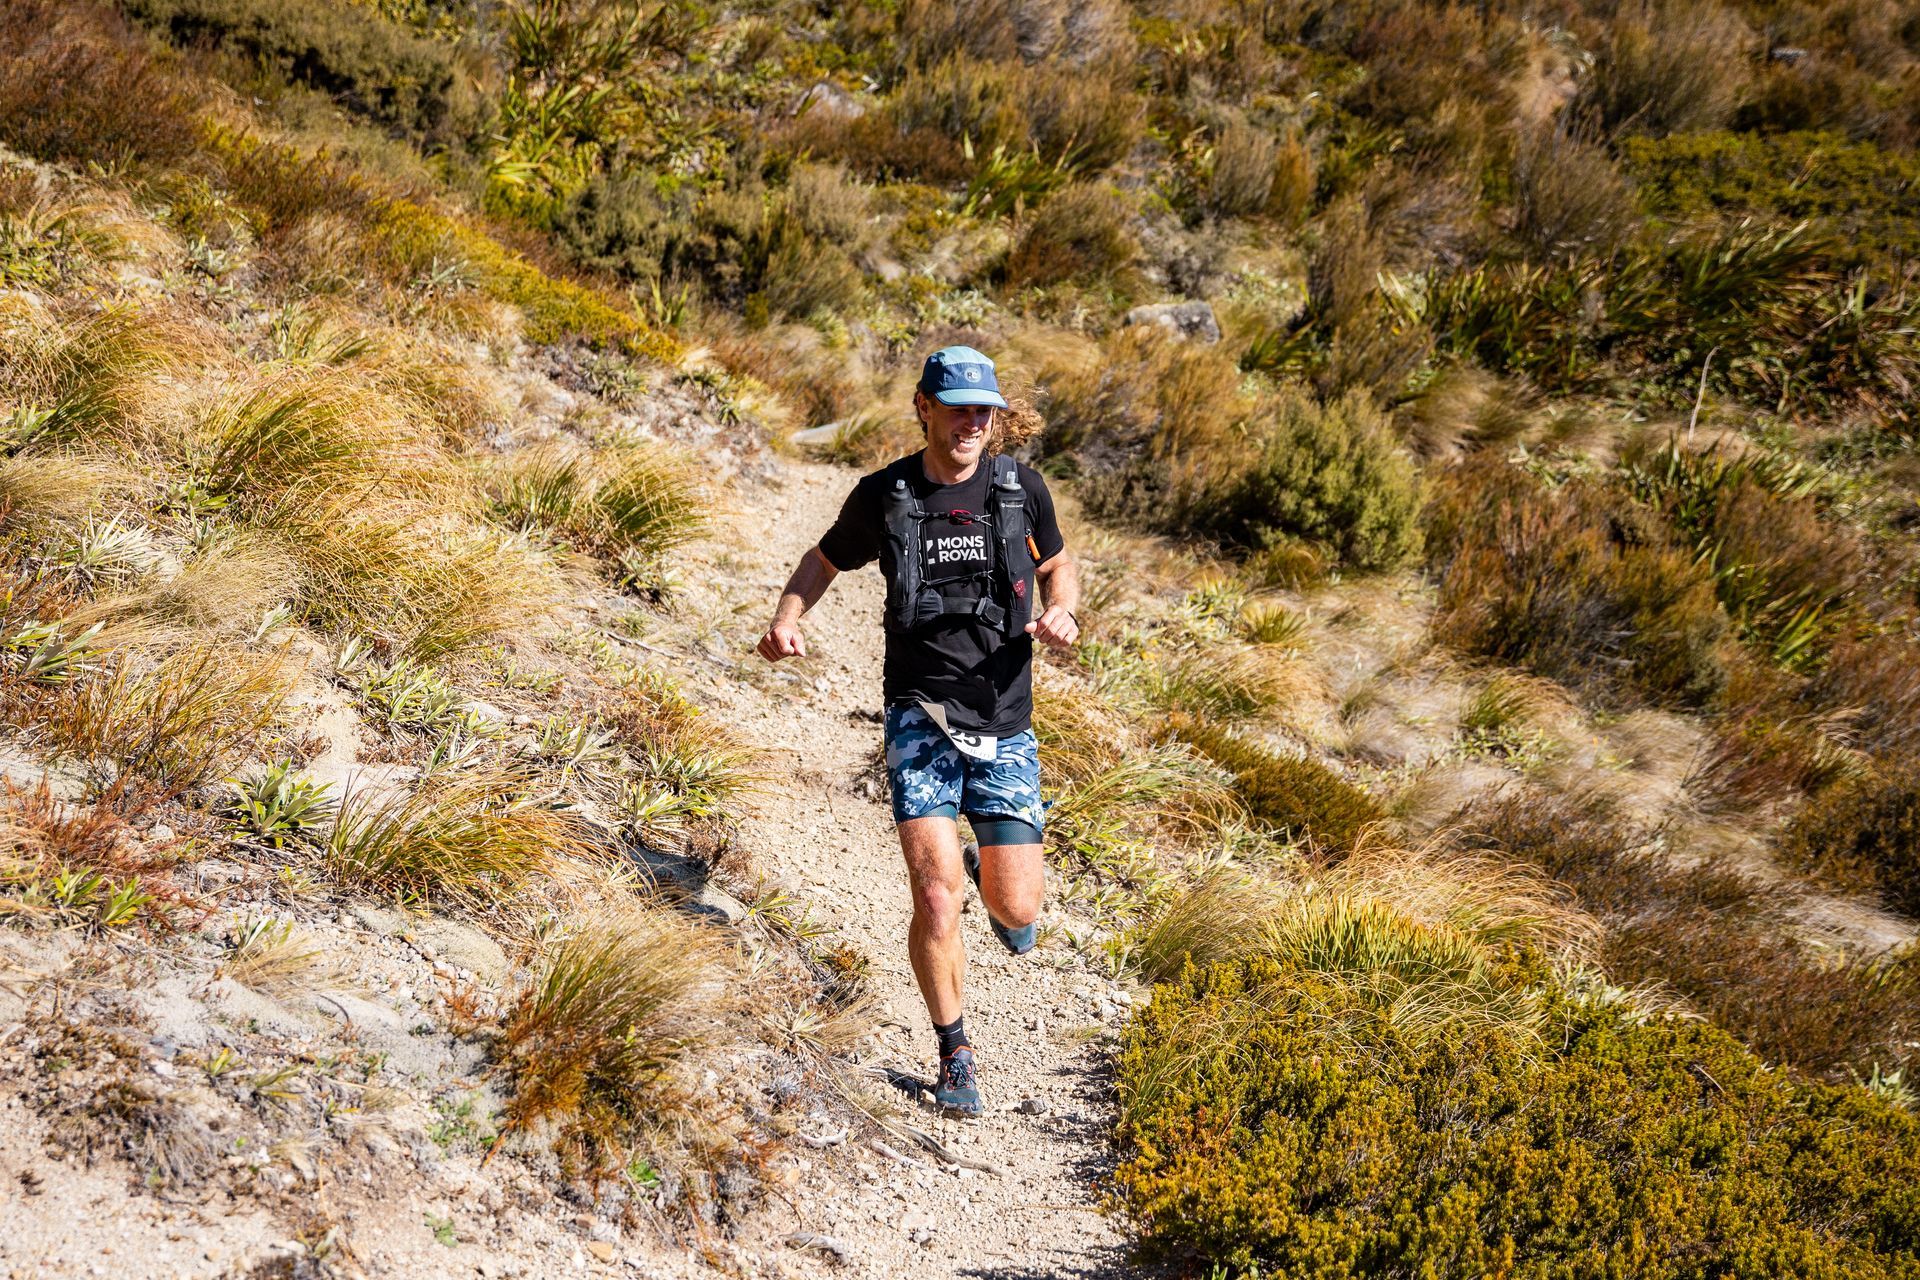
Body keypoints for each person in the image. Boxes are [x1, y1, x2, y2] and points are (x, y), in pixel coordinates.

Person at [757, 346, 1080, 1116]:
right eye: (958, 406)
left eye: (985, 410)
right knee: (935, 899)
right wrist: (785, 618)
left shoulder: (1019, 490)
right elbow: (823, 560)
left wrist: (1064, 608)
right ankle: (954, 1049)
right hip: (919, 715)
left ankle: (990, 876)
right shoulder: (887, 495)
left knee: (1017, 911)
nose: (972, 422)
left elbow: (1058, 566)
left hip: (1005, 719)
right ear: (923, 408)